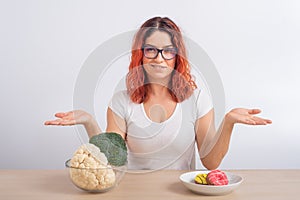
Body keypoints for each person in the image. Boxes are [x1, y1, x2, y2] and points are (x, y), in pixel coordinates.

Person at [44, 16, 272, 170]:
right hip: (134, 192)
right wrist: (89, 122)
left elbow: (210, 162)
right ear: (140, 54)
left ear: (177, 57)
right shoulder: (121, 101)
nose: (159, 58)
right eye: (151, 49)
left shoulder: (197, 99)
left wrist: (229, 122)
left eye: (168, 51)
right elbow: (111, 160)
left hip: (182, 192)